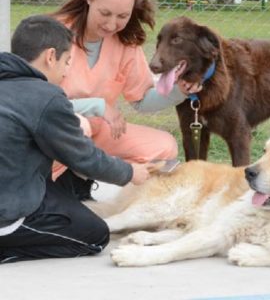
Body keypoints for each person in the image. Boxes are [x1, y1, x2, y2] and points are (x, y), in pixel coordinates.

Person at [0, 15, 154, 264]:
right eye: (67, 61)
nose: (66, 71)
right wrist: (130, 172)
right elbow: (84, 158)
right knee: (94, 235)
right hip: (8, 215)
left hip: (15, 183)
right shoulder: (45, 96)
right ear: (50, 56)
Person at [51, 0, 201, 194]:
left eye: (123, 15)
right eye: (105, 13)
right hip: (56, 132)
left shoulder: (126, 43)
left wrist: (179, 90)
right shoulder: (53, 32)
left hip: (98, 133)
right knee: (79, 127)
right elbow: (35, 103)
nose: (112, 24)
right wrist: (97, 106)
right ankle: (67, 181)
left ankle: (90, 171)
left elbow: (141, 100)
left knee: (165, 147)